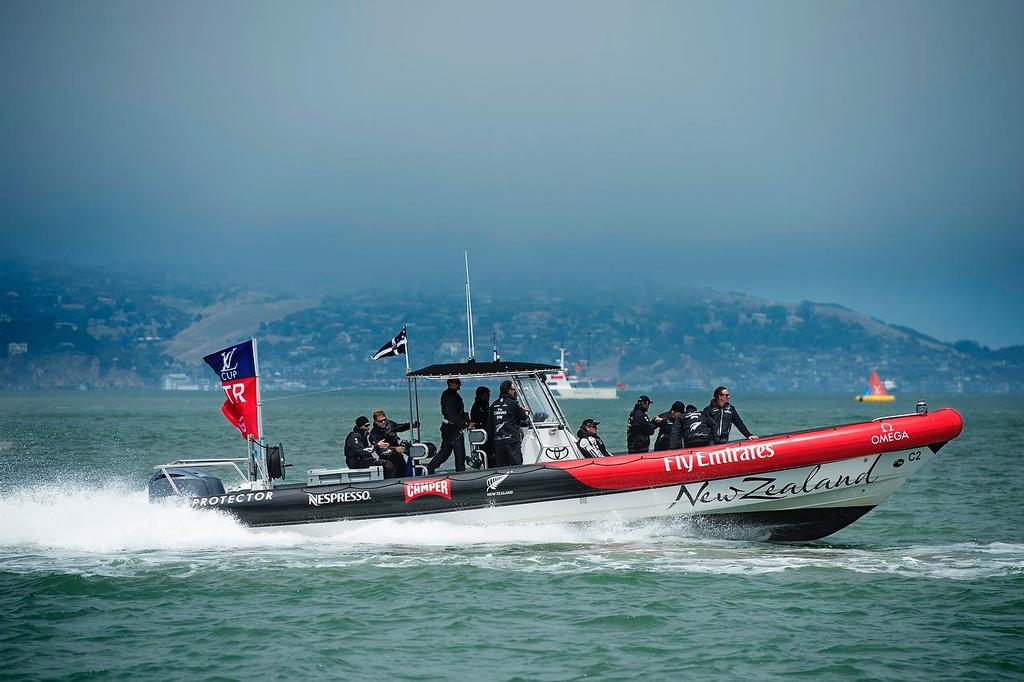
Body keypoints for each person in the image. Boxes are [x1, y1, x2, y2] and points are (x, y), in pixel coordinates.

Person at [426, 378, 471, 474]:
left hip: (450, 427)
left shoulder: (452, 395)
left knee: (446, 451)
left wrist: (467, 421)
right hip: (452, 428)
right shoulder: (450, 396)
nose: (460, 385)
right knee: (459, 454)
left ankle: (430, 468)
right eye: (458, 383)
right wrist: (465, 424)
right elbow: (452, 415)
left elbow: (458, 414)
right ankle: (461, 474)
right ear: (450, 384)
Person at [490, 379, 531, 466]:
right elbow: (525, 419)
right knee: (517, 466)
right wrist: (525, 412)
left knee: (501, 467)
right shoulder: (513, 404)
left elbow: (490, 425)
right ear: (508, 390)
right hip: (512, 442)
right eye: (514, 389)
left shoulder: (493, 405)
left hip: (498, 442)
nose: (516, 392)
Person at [369, 409, 418, 478]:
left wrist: (411, 425)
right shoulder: (374, 435)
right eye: (380, 421)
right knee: (394, 474)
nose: (383, 422)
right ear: (375, 422)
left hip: (399, 456)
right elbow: (381, 452)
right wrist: (395, 449)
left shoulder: (390, 424)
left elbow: (399, 427)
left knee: (403, 473)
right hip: (388, 461)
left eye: (384, 419)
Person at [469, 386, 494, 468]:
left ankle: (490, 465)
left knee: (490, 452)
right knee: (486, 452)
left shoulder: (485, 406)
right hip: (483, 434)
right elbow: (480, 419)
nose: (488, 397)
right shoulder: (478, 407)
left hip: (488, 433)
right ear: (481, 395)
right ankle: (488, 466)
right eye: (487, 395)